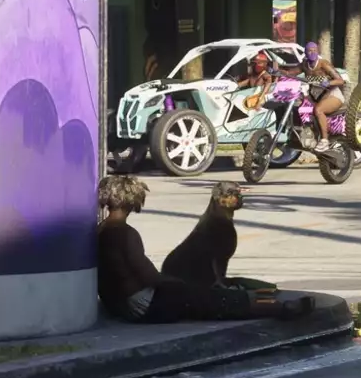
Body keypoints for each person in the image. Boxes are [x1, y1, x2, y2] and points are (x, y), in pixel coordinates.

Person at [97, 176, 312, 324]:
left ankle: (274, 305)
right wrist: (178, 284)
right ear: (130, 201)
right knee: (214, 300)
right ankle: (280, 308)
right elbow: (149, 276)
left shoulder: (101, 229)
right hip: (144, 306)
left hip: (124, 305)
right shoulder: (126, 233)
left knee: (202, 296)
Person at [283, 41, 347, 152]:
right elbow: (290, 73)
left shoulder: (324, 64)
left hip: (333, 95)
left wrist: (329, 83)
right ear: (305, 53)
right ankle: (305, 134)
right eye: (309, 51)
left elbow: (340, 80)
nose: (312, 53)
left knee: (318, 110)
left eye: (314, 50)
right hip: (316, 97)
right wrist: (276, 71)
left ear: (318, 52)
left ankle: (324, 141)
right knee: (299, 106)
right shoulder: (304, 65)